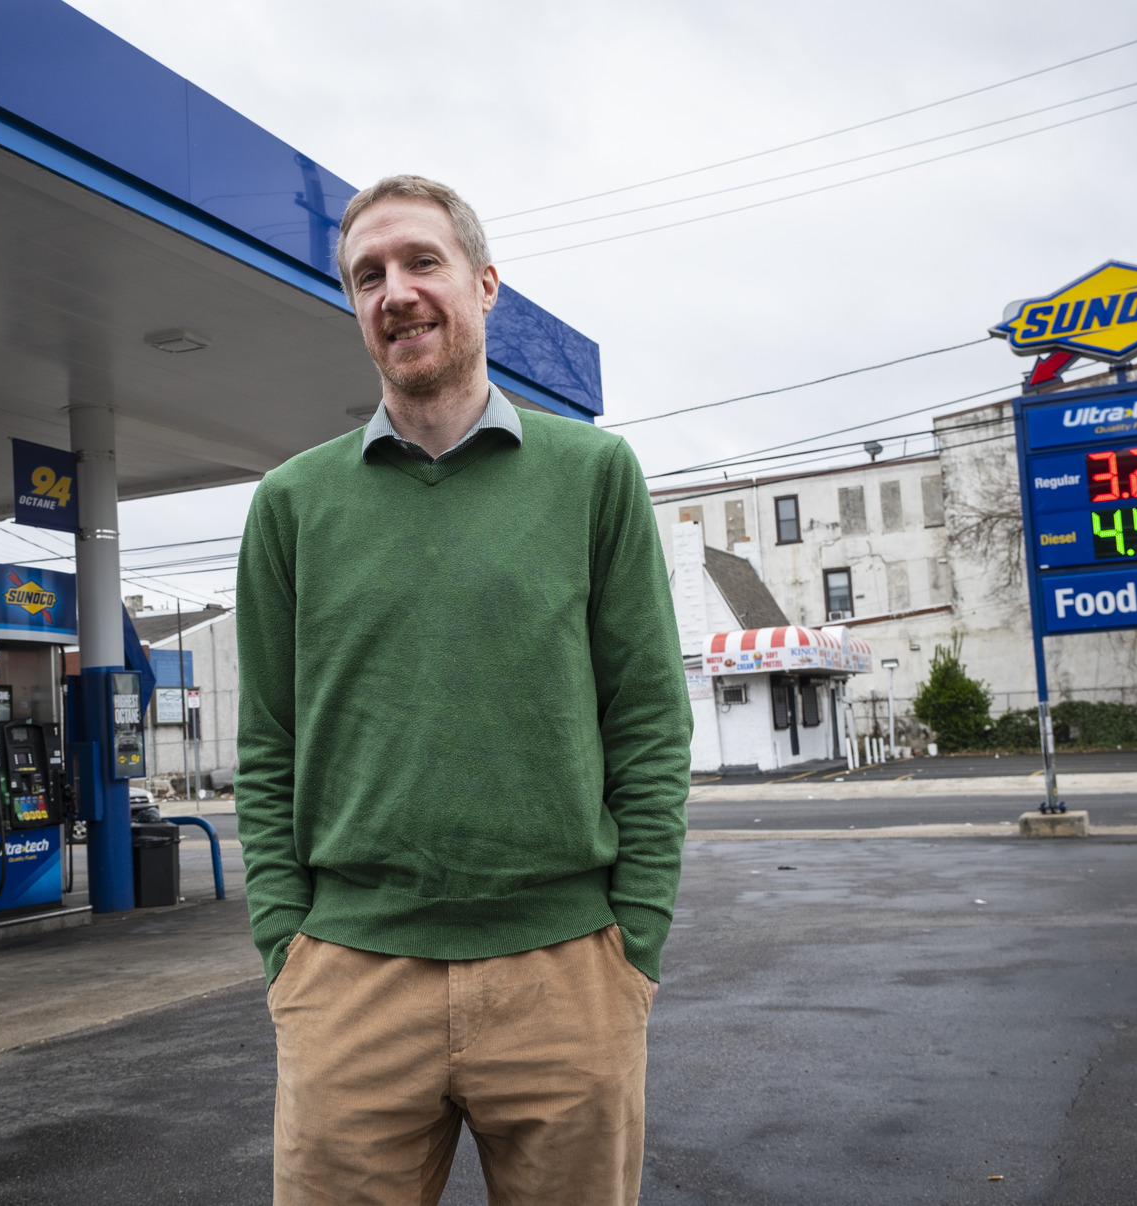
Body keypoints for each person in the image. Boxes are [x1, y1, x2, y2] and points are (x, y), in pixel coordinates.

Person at [235, 174, 693, 1205]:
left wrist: (634, 942)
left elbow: (652, 724)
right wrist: (288, 953)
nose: (394, 291)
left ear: (486, 287)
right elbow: (266, 743)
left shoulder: (594, 476)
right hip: (347, 980)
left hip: (570, 973)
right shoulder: (291, 505)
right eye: (367, 276)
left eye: (421, 262)